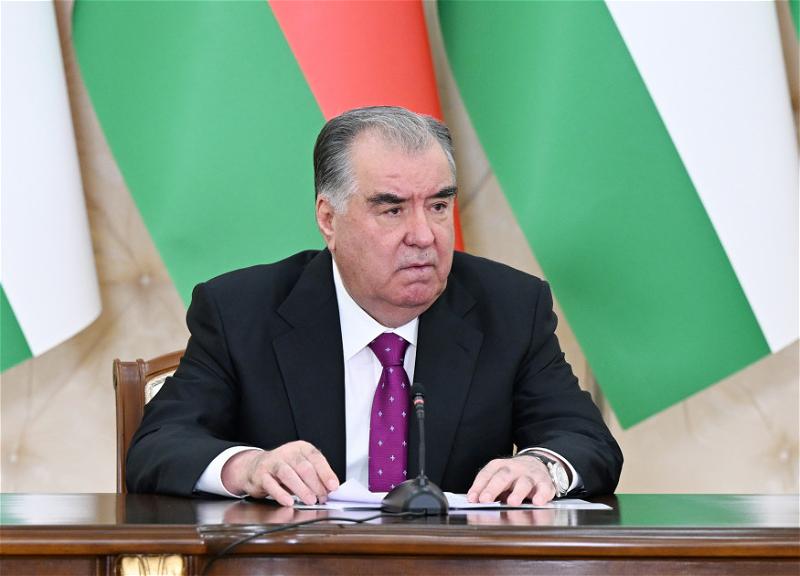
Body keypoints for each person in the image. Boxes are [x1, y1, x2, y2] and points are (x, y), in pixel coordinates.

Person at [127, 106, 622, 506]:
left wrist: (541, 466)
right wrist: (250, 467)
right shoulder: (240, 310)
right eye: (392, 209)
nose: (423, 235)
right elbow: (159, 446)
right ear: (329, 219)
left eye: (438, 206)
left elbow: (586, 440)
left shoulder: (510, 307)